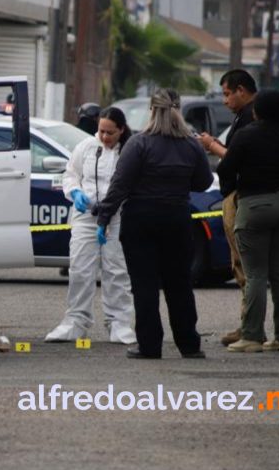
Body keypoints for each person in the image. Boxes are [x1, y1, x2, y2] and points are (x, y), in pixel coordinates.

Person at [94, 89, 214, 359]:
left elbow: (120, 185)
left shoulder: (139, 143)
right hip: (177, 219)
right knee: (179, 284)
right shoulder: (191, 144)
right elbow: (204, 182)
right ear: (178, 110)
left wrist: (103, 218)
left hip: (141, 220)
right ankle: (189, 345)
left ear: (152, 110)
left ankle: (149, 345)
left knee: (144, 285)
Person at [216, 90, 279, 352]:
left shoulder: (245, 136)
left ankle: (251, 336)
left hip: (254, 207)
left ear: (256, 111)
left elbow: (224, 170)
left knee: (256, 275)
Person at [46, 107, 136, 345]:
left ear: (121, 130)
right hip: (86, 215)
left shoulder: (129, 150)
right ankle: (76, 320)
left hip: (117, 216)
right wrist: (75, 192)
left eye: (110, 133)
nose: (104, 137)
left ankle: (119, 322)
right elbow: (71, 174)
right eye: (101, 131)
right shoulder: (86, 147)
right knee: (80, 268)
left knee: (116, 269)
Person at [198, 69, 258, 346]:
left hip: (242, 196)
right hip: (244, 195)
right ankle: (249, 325)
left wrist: (213, 146)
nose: (224, 101)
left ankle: (251, 329)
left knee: (245, 266)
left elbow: (238, 158)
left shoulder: (251, 117)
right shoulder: (246, 117)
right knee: (246, 266)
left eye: (226, 94)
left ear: (241, 90)